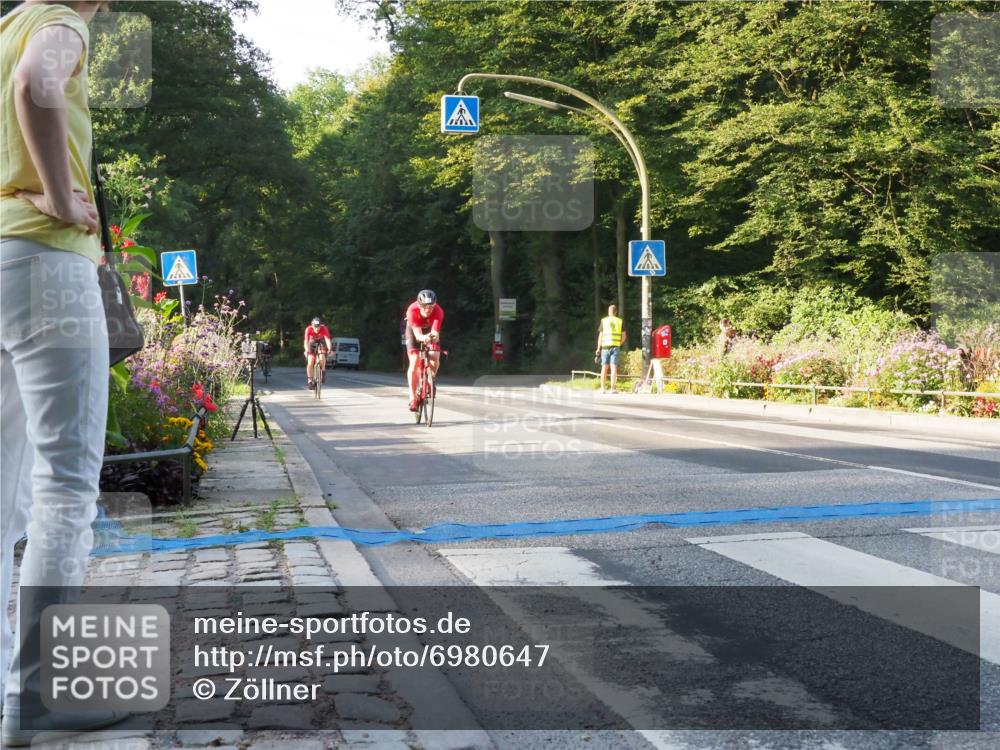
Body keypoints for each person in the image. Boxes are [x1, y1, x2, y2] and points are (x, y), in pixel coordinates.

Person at [1, 1, 129, 744]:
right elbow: (35, 87)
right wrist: (52, 194)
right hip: (46, 265)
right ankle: (39, 697)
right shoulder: (62, 23)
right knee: (65, 483)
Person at [405, 289, 444, 411]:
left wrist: (433, 337)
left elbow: (435, 333)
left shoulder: (438, 311)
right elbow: (418, 336)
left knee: (435, 356)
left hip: (429, 332)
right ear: (419, 304)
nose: (427, 310)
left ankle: (430, 379)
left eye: (431, 306)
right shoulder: (412, 310)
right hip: (414, 332)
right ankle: (412, 398)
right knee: (415, 360)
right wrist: (424, 338)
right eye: (424, 306)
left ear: (435, 305)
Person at [595, 304, 627, 394]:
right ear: (616, 312)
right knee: (614, 368)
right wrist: (618, 344)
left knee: (604, 368)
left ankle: (602, 388)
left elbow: (600, 336)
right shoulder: (620, 321)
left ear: (609, 312)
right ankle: (613, 389)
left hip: (605, 347)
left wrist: (598, 348)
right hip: (615, 347)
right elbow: (624, 336)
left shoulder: (604, 321)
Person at [303, 317, 331, 389]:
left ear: (320, 325)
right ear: (312, 325)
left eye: (318, 327)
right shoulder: (308, 329)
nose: (317, 329)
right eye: (315, 327)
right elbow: (306, 342)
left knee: (322, 356)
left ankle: (323, 370)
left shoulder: (324, 328)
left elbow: (327, 339)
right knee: (310, 361)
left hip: (320, 343)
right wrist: (306, 350)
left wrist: (330, 349)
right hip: (311, 343)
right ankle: (310, 380)